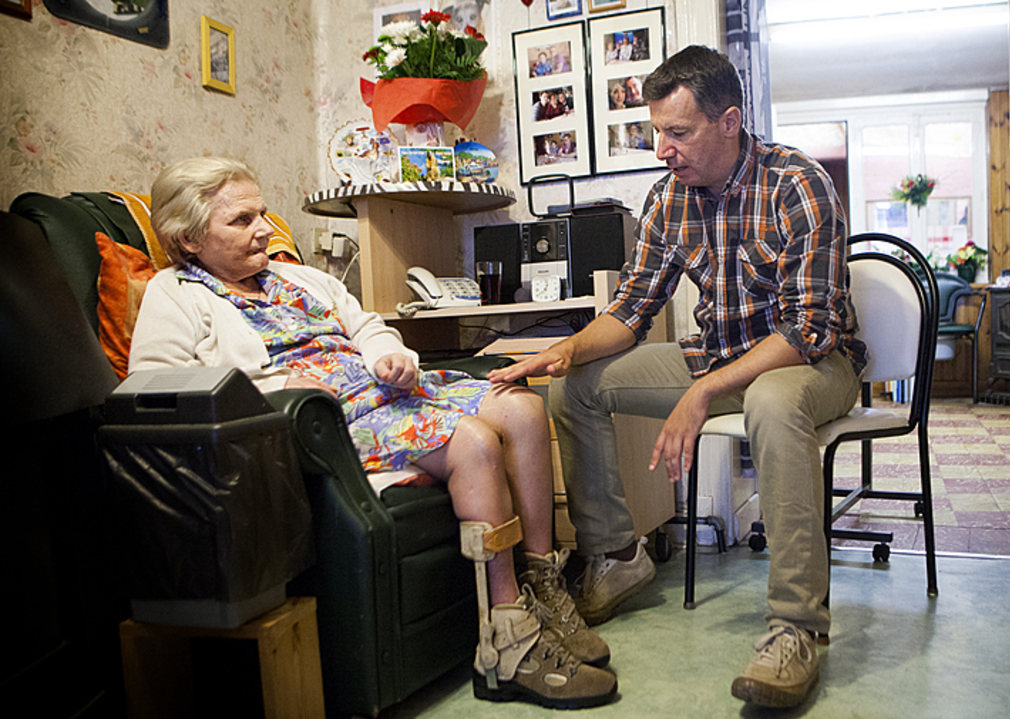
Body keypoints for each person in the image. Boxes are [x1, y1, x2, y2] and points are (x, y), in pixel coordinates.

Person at [130, 157, 617, 710]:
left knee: (522, 407)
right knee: (475, 441)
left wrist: (390, 355)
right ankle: (509, 645)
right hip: (329, 422)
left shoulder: (296, 277)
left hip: (386, 391)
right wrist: (275, 386)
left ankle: (543, 592)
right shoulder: (174, 294)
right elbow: (154, 385)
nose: (264, 229)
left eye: (261, 213)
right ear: (189, 239)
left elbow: (366, 325)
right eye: (242, 220)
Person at [488, 45, 863, 709]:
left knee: (772, 403)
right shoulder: (667, 198)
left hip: (809, 362)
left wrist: (703, 391)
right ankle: (615, 558)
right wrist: (565, 350)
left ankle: (796, 627)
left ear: (729, 121)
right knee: (575, 387)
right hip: (716, 355)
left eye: (679, 132)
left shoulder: (797, 184)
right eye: (657, 131)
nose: (663, 149)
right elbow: (631, 311)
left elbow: (807, 329)